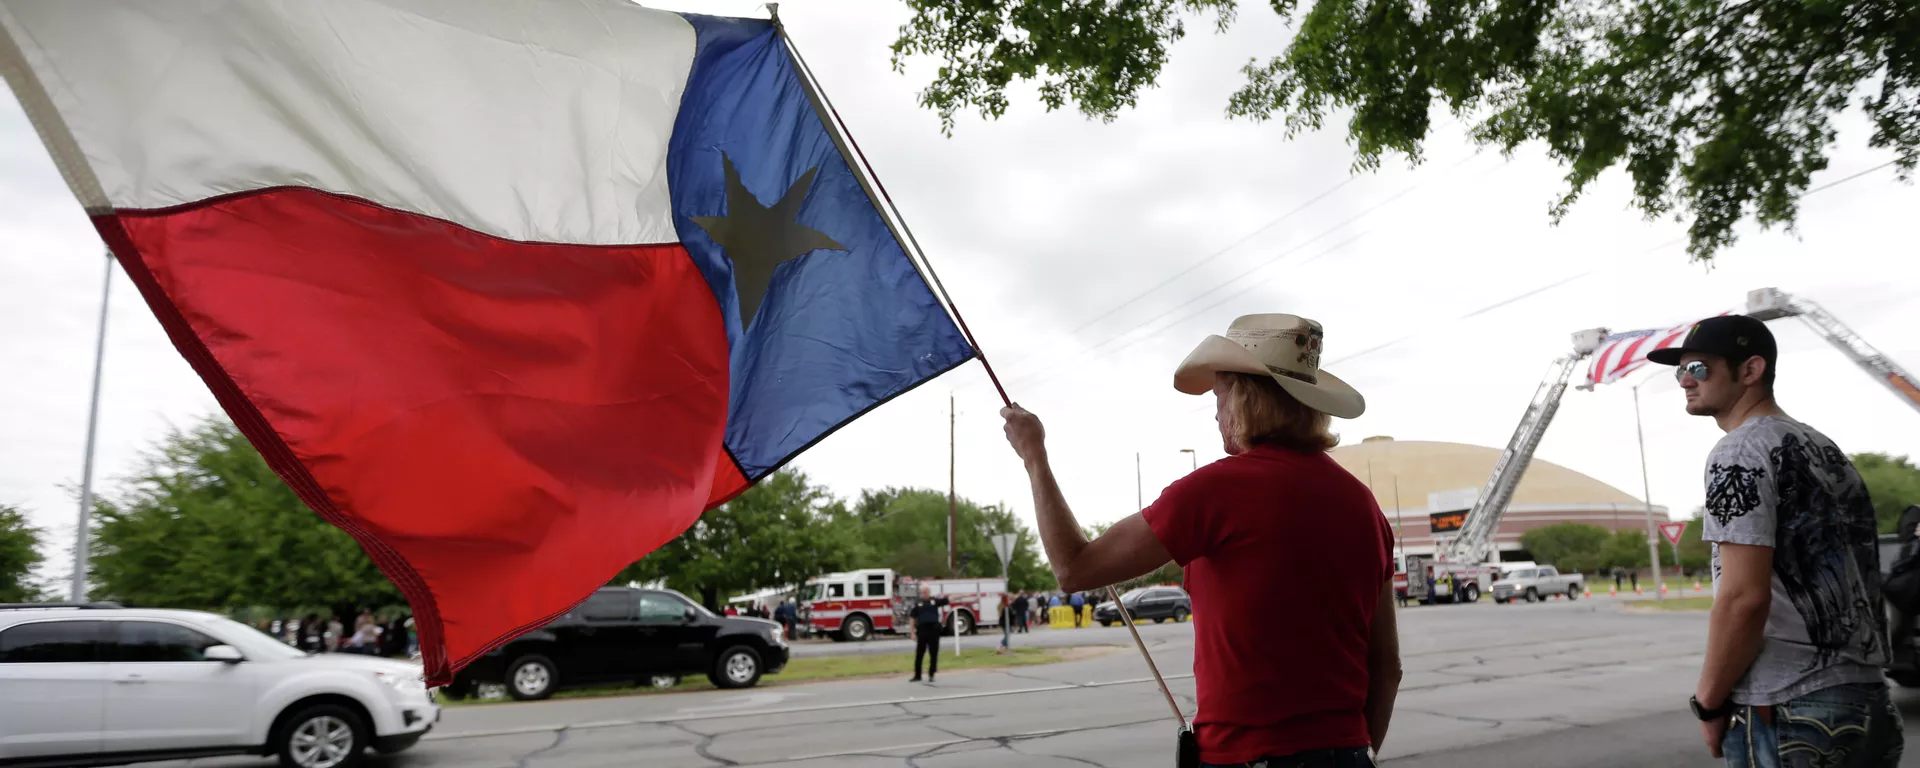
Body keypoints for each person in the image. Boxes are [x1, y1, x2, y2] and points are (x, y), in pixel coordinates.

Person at [1002, 313, 1400, 767]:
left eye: (1219, 394)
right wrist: (1358, 753)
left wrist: (1035, 455)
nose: (1215, 410)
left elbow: (1074, 568)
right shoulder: (1364, 505)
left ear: (1245, 398)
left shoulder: (1216, 491)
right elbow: (1387, 668)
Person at [1648, 315, 1902, 765]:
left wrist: (1709, 702)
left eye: (1700, 368)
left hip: (1792, 706)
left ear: (1750, 371)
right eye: (1680, 370)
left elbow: (1743, 598)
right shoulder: (1823, 449)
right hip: (1867, 699)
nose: (1685, 380)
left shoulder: (1740, 451)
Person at [908, 586, 949, 683]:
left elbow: (949, 599)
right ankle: (917, 675)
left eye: (925, 592)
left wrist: (964, 595)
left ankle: (932, 674)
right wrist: (912, 633)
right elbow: (912, 618)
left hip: (934, 630)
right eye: (922, 592)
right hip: (922, 631)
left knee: (933, 653)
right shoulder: (918, 604)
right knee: (919, 653)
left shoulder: (934, 601)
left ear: (929, 592)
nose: (924, 594)